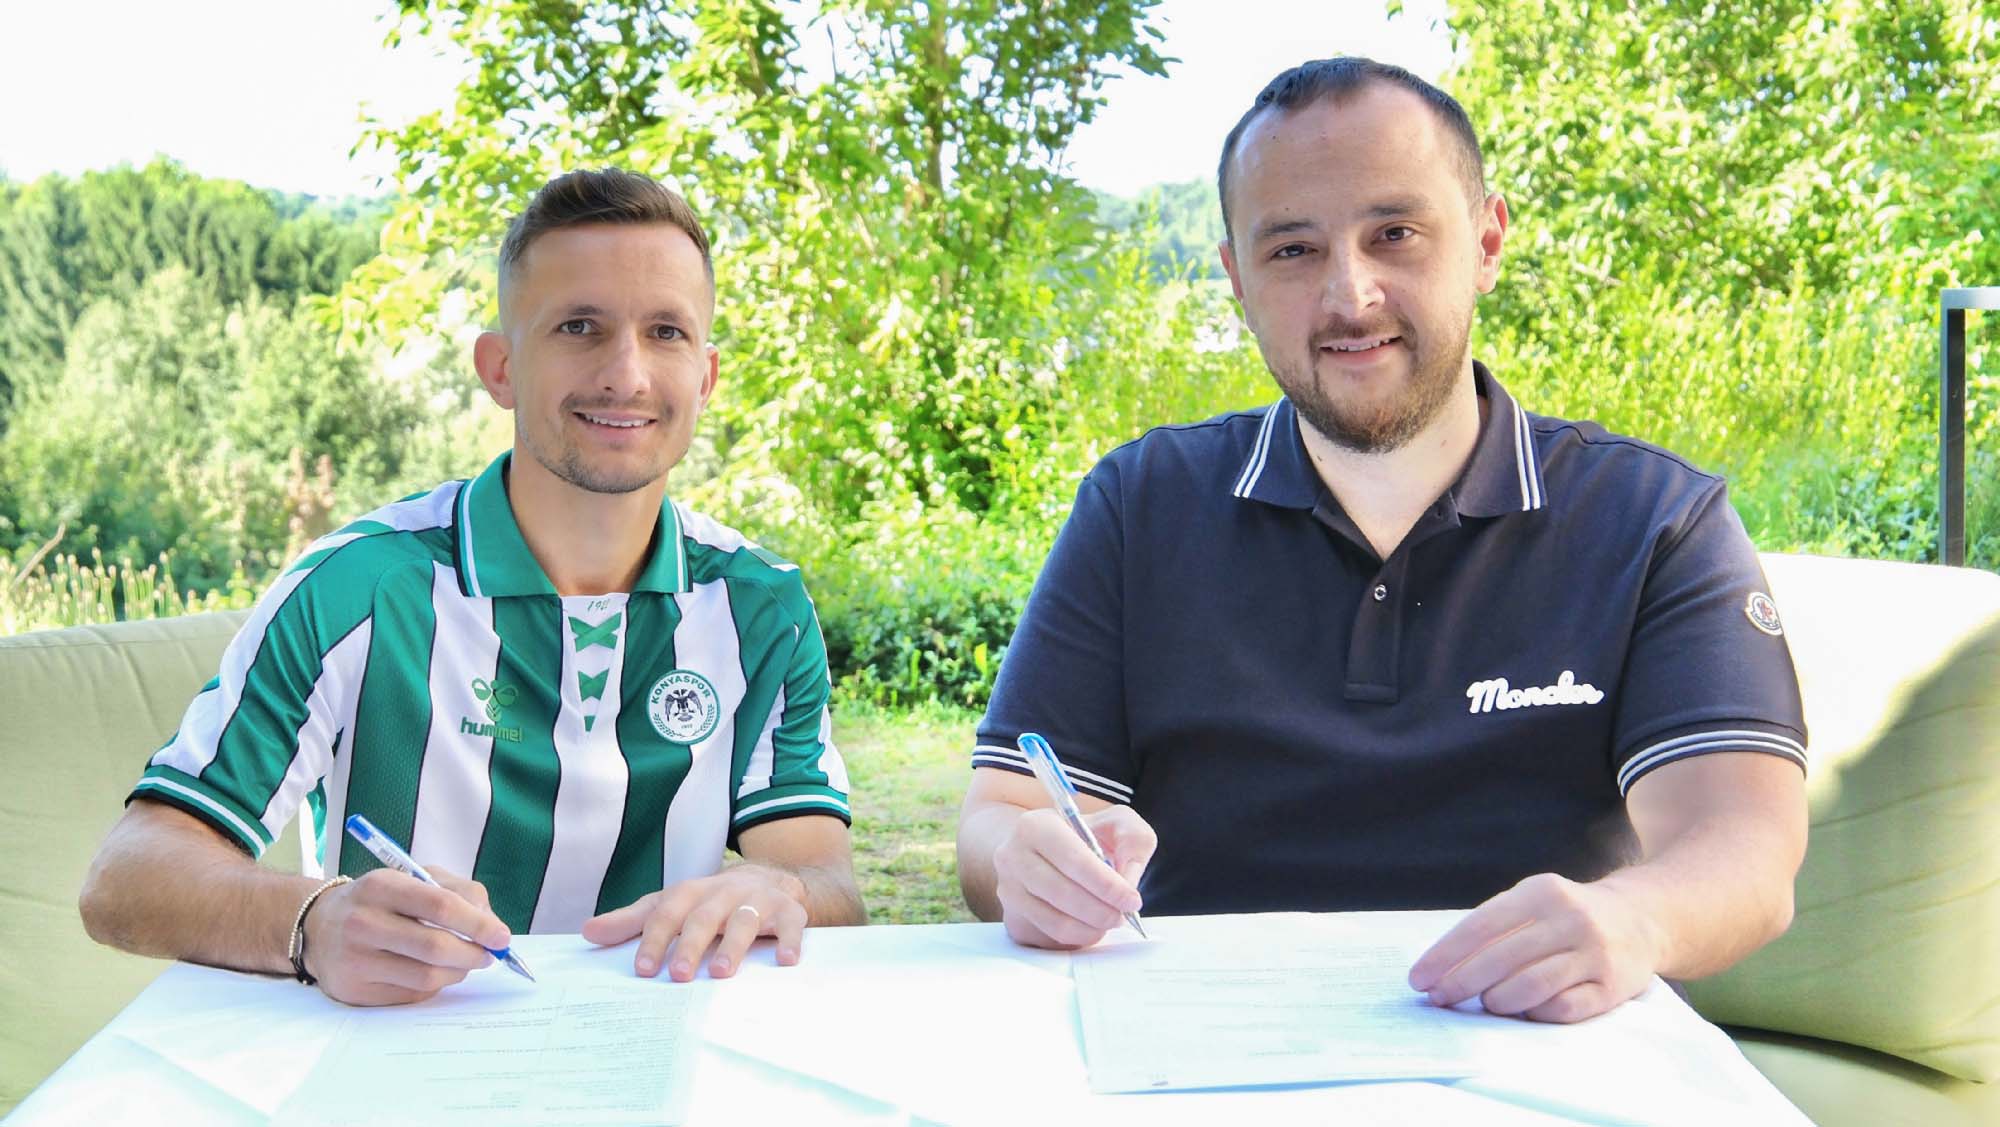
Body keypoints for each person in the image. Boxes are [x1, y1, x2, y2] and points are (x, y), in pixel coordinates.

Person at [956, 58, 1809, 1024]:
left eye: (1394, 234)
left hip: (1531, 1042)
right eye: (1293, 250)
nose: (1350, 296)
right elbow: (1001, 816)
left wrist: (1634, 918)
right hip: (1199, 1051)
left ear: (1486, 243)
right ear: (1237, 281)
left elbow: (1743, 847)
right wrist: (1024, 863)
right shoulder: (1139, 504)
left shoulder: (1652, 519)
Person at [79, 169, 864, 1006]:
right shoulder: (358, 588)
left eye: (665, 331)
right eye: (579, 326)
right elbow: (127, 876)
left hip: (657, 1045)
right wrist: (313, 920)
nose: (627, 373)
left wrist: (778, 891)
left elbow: (829, 886)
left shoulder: (762, 606)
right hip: (396, 1050)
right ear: (500, 367)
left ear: (705, 378)